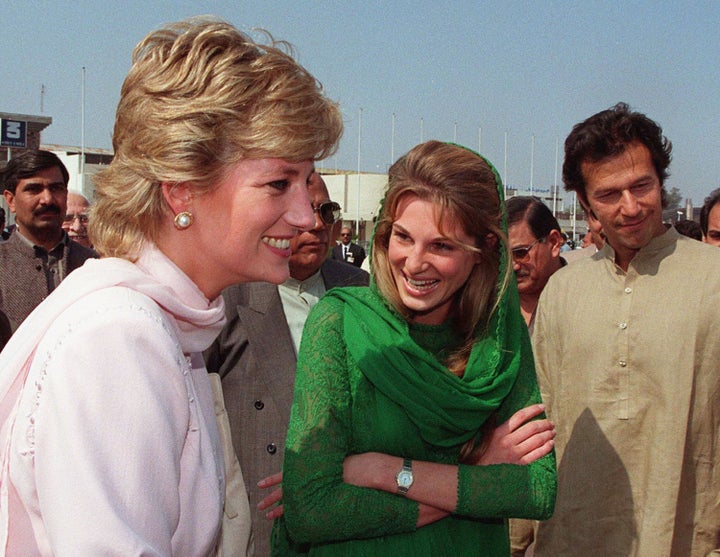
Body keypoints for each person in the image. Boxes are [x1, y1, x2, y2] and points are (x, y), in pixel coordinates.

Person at [0, 17, 342, 556]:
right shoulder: (120, 339)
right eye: (279, 183)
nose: (305, 215)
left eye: (306, 184)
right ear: (182, 191)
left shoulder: (159, 322)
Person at [276, 141, 556, 556]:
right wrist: (474, 473)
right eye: (402, 237)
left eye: (441, 246)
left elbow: (536, 490)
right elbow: (312, 510)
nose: (413, 262)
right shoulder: (341, 324)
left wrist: (383, 470)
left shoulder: (498, 340)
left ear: (482, 253)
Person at [532, 103, 720, 556]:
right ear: (584, 204)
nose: (630, 207)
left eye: (642, 186)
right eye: (609, 194)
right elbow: (537, 423)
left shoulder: (714, 278)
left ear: (662, 183)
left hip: (688, 538)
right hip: (573, 535)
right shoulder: (563, 290)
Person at [204, 173, 369, 556]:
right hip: (261, 509)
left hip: (351, 503)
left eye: (325, 211)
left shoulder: (360, 289)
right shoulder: (230, 292)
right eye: (303, 211)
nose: (314, 224)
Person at [0, 150, 97, 333]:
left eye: (56, 188)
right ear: (11, 201)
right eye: (34, 189)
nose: (47, 199)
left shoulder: (94, 265)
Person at [506, 196, 566, 334]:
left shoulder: (585, 299)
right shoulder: (489, 307)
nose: (513, 266)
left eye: (520, 253)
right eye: (504, 257)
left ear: (554, 242)